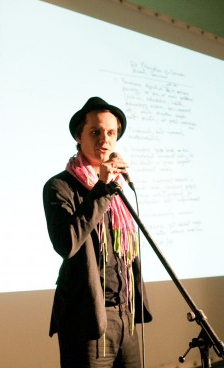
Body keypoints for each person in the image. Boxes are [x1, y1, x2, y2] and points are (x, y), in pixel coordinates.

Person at [42, 96, 152, 367]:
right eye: (95, 132)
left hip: (126, 315)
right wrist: (101, 188)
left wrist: (109, 186)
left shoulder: (117, 189)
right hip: (86, 319)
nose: (105, 139)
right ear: (79, 136)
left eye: (111, 133)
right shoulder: (59, 187)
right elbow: (67, 243)